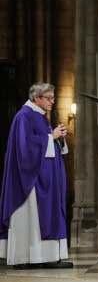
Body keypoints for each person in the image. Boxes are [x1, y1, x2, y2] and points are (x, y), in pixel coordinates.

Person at [0, 83, 73, 269]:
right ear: (36, 98)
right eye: (49, 98)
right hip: (30, 181)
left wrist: (58, 137)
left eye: (53, 98)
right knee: (31, 217)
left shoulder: (40, 117)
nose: (52, 101)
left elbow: (43, 140)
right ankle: (26, 257)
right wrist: (51, 137)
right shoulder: (24, 116)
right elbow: (25, 147)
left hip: (45, 177)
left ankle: (44, 256)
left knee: (46, 215)